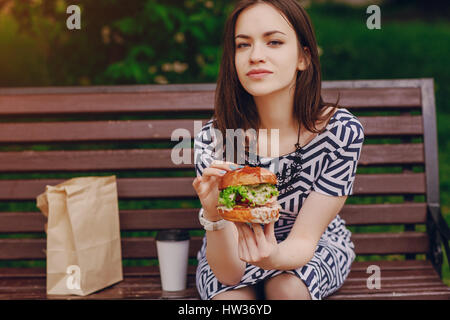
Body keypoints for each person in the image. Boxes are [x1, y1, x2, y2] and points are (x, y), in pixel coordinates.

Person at [192, 0, 364, 300]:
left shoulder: (340, 133)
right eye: (243, 45)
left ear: (303, 57)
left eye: (274, 42)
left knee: (287, 289)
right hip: (232, 251)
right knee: (231, 300)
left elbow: (304, 241)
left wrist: (271, 258)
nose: (256, 56)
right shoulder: (215, 141)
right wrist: (213, 213)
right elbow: (229, 273)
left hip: (314, 246)